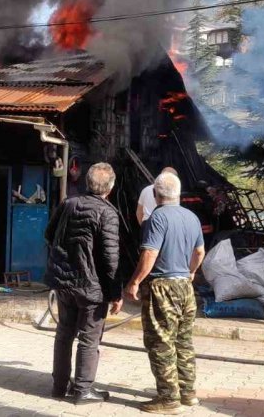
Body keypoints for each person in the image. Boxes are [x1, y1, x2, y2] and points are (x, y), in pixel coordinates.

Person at [125, 172, 206, 414]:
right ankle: (188, 393)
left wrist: (135, 282)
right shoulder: (192, 218)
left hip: (163, 286)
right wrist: (191, 272)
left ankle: (168, 399)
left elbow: (149, 253)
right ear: (178, 194)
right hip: (185, 286)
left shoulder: (157, 218)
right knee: (183, 341)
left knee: (160, 342)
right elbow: (200, 252)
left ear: (155, 194)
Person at [44, 162, 122, 405]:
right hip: (91, 286)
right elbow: (110, 259)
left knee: (64, 333)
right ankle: (82, 390)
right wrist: (116, 293)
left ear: (88, 183)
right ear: (110, 187)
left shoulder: (68, 204)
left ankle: (59, 386)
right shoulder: (107, 212)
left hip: (64, 282)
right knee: (89, 337)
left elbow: (49, 235)